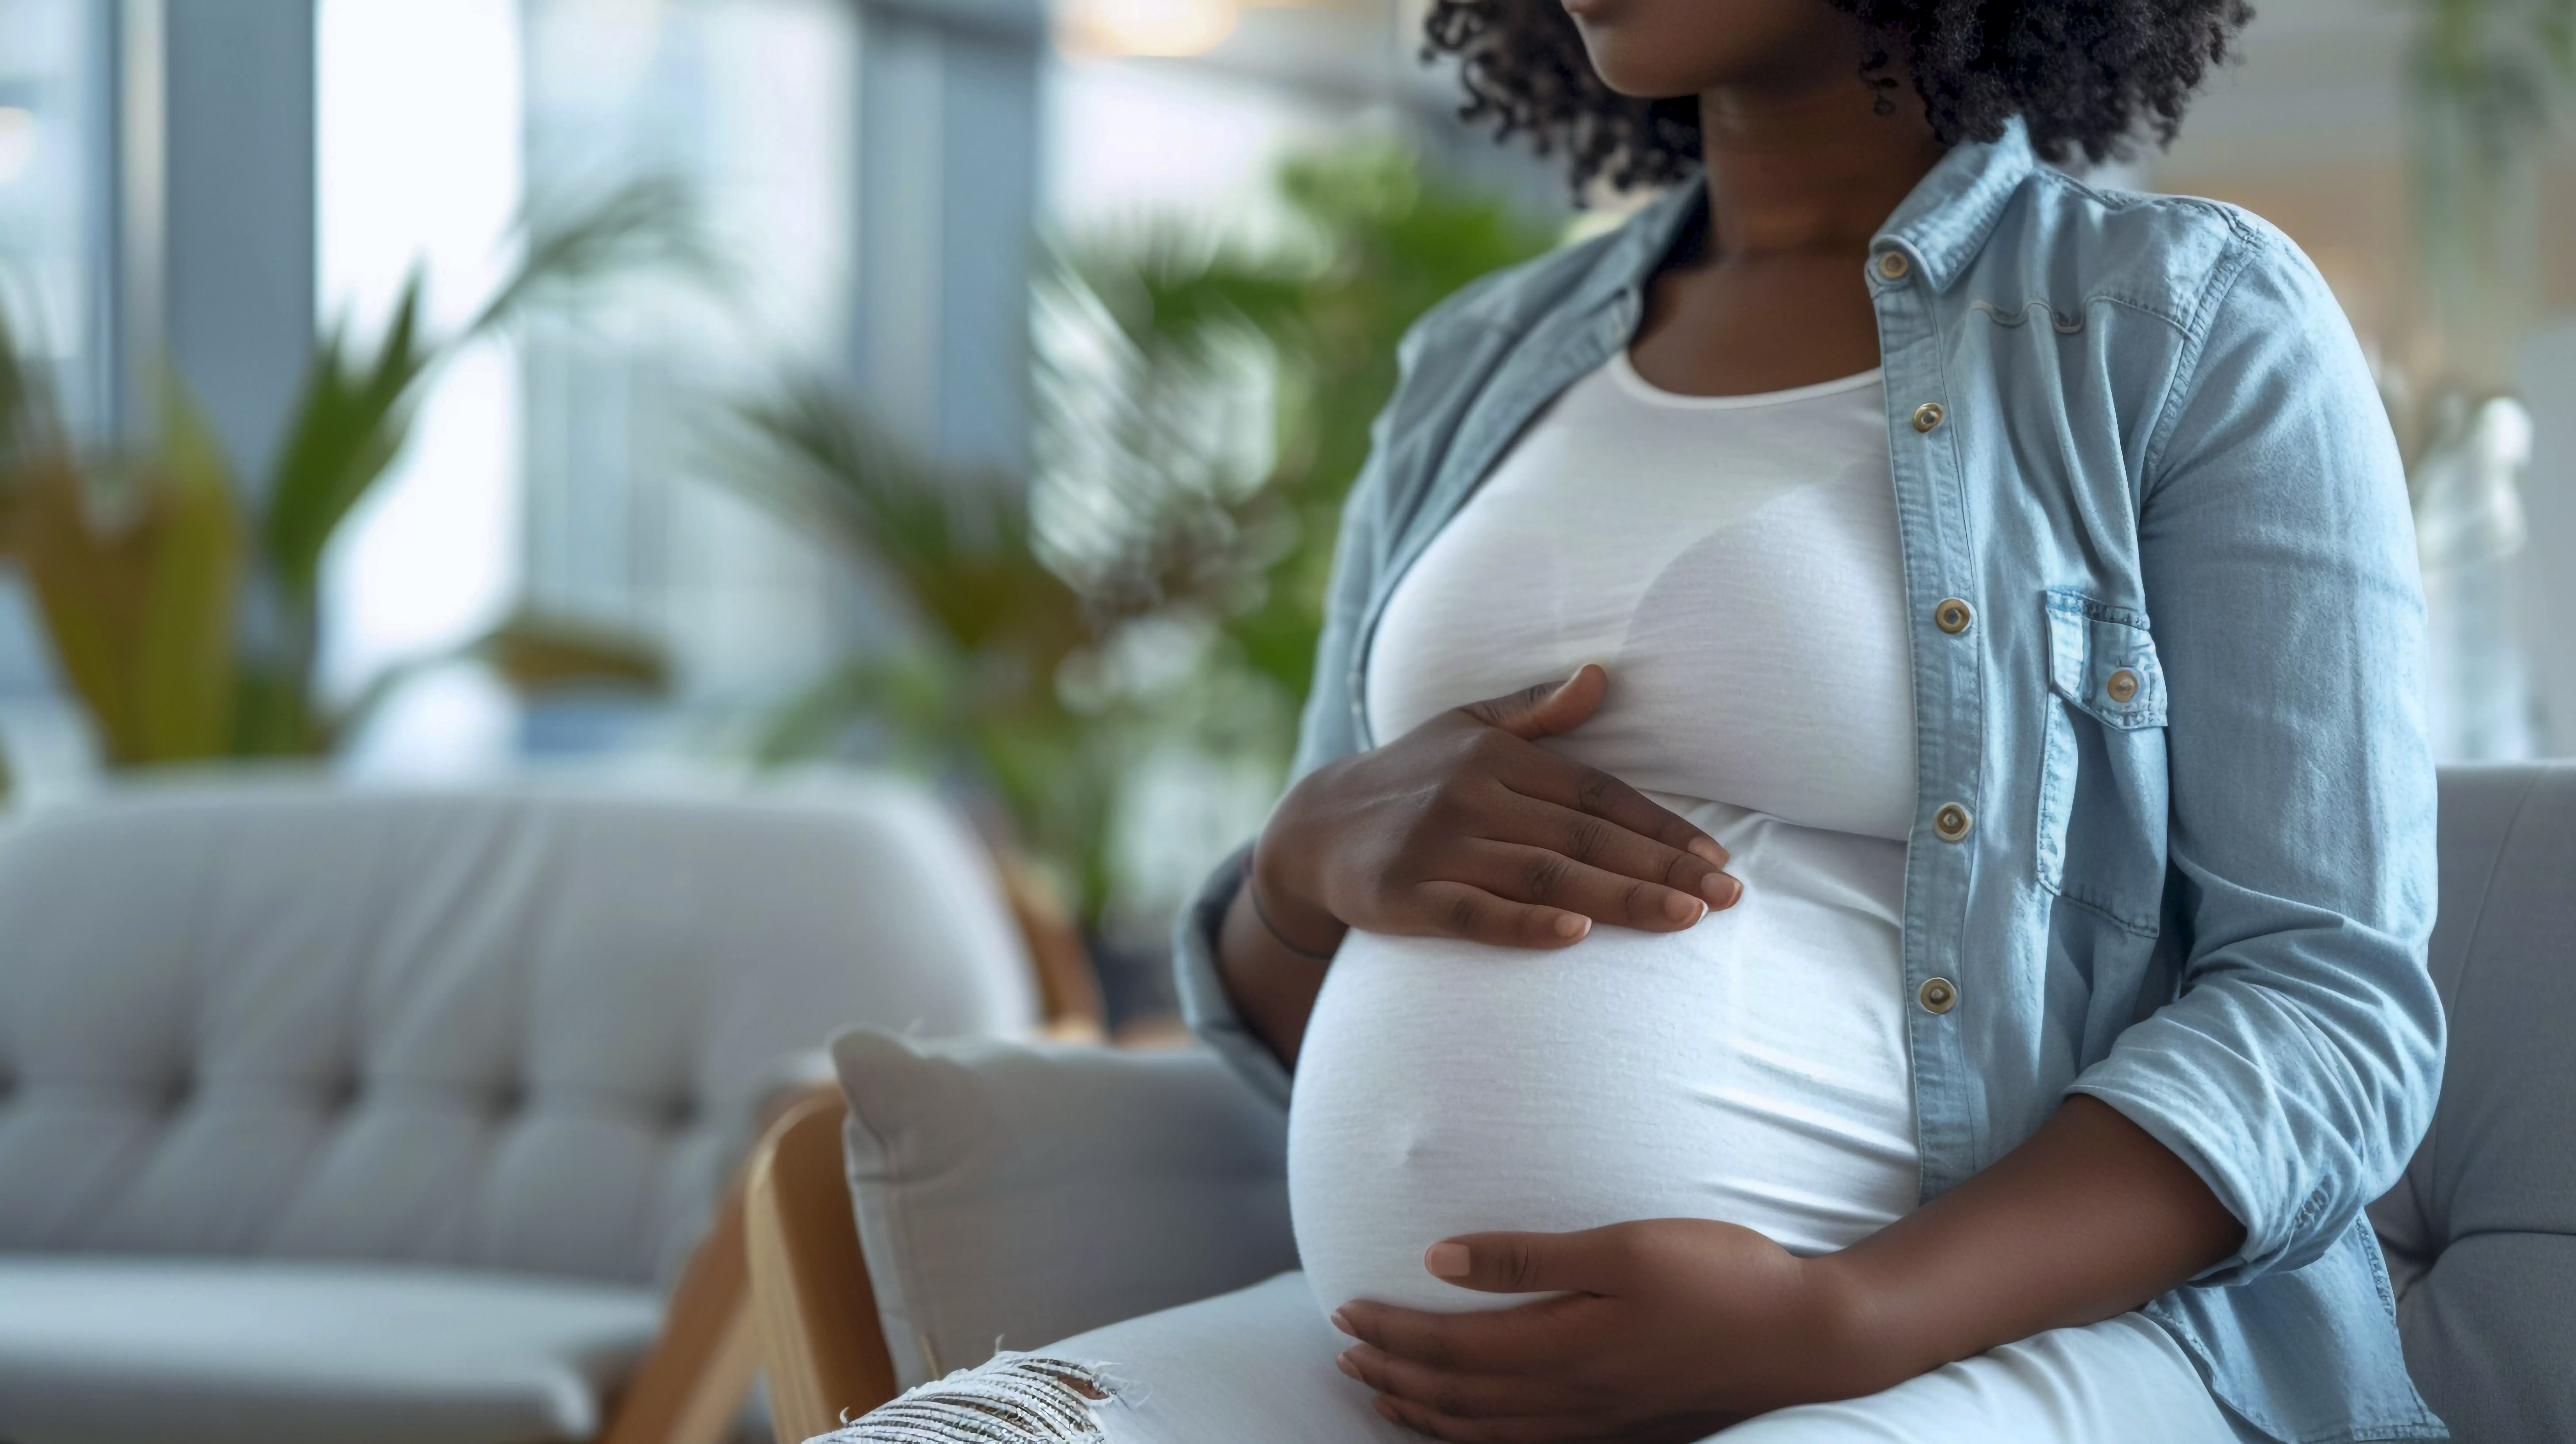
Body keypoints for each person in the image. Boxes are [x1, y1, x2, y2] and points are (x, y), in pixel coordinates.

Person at [819, 0, 2445, 1433]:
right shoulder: (1476, 363)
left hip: (1991, 1346)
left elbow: (2329, 1006)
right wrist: (1298, 873)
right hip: (1401, 1367)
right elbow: (1300, 1015)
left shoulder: (2178, 322)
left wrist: (1842, 1323)